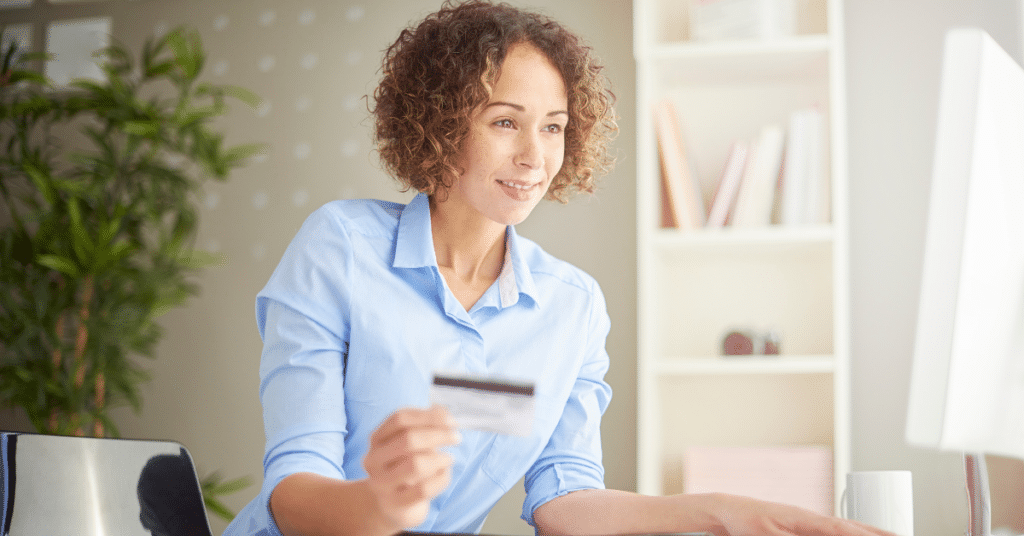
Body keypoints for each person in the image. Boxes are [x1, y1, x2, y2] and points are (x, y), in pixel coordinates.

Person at [224, 2, 899, 535]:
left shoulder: (570, 307)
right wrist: (381, 506)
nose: (534, 157)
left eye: (553, 127)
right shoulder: (340, 247)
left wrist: (720, 512)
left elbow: (564, 499)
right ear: (441, 121)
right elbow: (294, 492)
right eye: (505, 122)